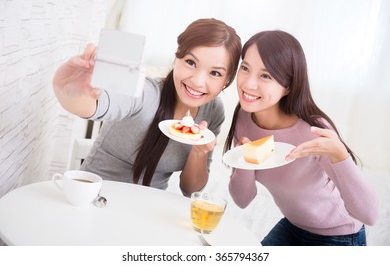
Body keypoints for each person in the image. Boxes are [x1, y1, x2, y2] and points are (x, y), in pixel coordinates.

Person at [53, 18, 241, 196]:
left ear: (227, 80)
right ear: (176, 58)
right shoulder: (145, 92)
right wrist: (67, 89)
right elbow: (94, 106)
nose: (198, 82)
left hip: (149, 212)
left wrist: (199, 153)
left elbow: (190, 190)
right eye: (191, 62)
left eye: (215, 73)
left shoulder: (213, 111)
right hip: (95, 197)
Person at [223, 30, 379, 246]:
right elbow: (242, 200)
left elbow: (369, 215)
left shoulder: (313, 130)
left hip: (340, 235)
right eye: (245, 68)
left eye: (265, 75)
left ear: (288, 85)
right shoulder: (243, 116)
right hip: (293, 226)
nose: (248, 84)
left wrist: (341, 156)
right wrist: (245, 161)